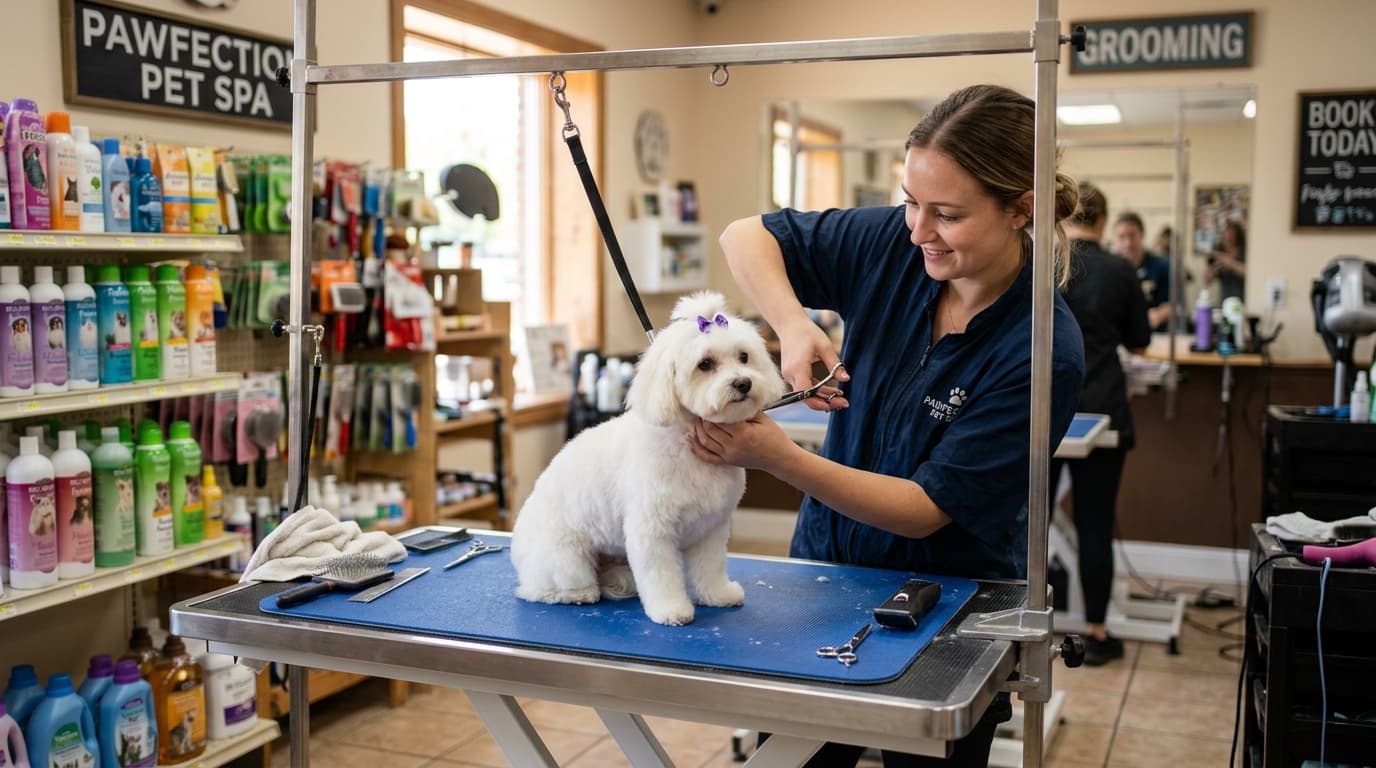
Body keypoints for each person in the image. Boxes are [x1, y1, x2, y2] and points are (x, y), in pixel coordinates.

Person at [689, 84, 1086, 768]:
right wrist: (793, 323)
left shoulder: (1043, 351)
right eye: (910, 201)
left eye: (948, 214)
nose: (918, 229)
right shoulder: (892, 246)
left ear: (1022, 209)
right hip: (828, 577)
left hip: (951, 609)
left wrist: (777, 457)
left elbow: (926, 510)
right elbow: (743, 235)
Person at [1056, 184, 1151, 666]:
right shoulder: (1120, 270)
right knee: (1094, 522)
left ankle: (1023, 617)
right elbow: (1138, 341)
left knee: (1028, 520)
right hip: (1103, 404)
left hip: (1044, 408)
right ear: (1104, 218)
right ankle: (1095, 629)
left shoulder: (1042, 263)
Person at [1112, 211, 1172, 331]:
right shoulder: (1109, 269)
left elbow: (1174, 305)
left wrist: (1159, 314)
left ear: (1142, 235)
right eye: (1122, 237)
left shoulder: (1162, 266)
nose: (1128, 243)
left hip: (1154, 336)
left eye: (1132, 235)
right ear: (1115, 239)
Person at [1206, 220, 1247, 301]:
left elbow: (1247, 273)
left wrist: (1229, 263)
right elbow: (1207, 280)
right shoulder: (1219, 256)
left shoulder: (1244, 254)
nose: (1226, 237)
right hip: (1225, 302)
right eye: (1224, 234)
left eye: (1230, 233)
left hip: (1242, 301)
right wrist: (1211, 271)